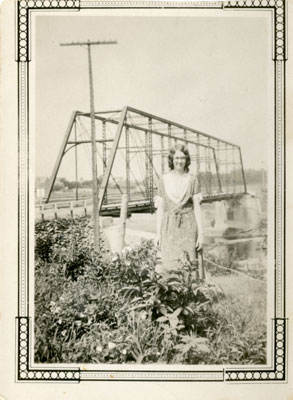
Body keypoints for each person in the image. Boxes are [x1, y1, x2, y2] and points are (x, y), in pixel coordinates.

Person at [155, 144, 204, 273]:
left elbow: (197, 209)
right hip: (168, 227)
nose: (179, 161)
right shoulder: (163, 180)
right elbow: (160, 209)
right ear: (171, 159)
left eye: (182, 158)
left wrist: (201, 234)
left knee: (188, 264)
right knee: (168, 264)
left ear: (187, 160)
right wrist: (157, 234)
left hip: (188, 226)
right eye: (176, 158)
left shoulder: (192, 180)